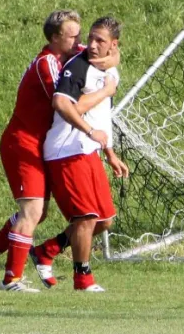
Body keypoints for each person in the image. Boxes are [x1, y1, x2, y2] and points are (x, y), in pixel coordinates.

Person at [0, 10, 119, 292]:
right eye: (72, 36)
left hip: (41, 143)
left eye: (81, 35)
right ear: (54, 38)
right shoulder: (47, 63)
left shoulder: (70, 57)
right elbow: (64, 104)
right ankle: (12, 279)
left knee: (43, 213)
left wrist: (111, 60)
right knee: (33, 210)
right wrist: (103, 96)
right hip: (23, 141)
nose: (80, 43)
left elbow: (108, 55)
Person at [37, 16, 128, 292]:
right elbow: (62, 103)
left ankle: (46, 251)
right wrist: (104, 92)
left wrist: (110, 153)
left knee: (104, 220)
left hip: (89, 150)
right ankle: (83, 278)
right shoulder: (77, 66)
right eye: (90, 38)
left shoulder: (110, 71)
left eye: (100, 40)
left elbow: (101, 116)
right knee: (86, 217)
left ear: (114, 45)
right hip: (66, 149)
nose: (91, 44)